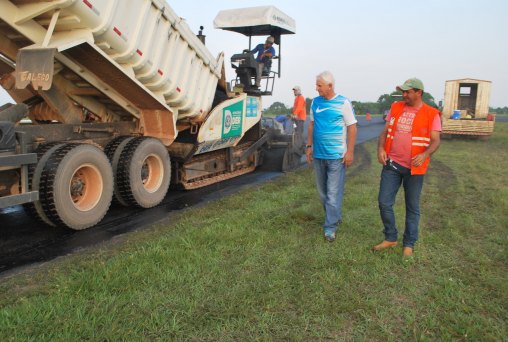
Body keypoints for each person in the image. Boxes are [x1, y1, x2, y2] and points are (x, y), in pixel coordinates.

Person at [373, 78, 441, 257]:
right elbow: (385, 131)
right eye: (403, 92)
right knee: (384, 202)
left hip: (415, 168)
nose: (404, 95)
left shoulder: (431, 113)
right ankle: (390, 237)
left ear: (419, 93)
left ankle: (409, 243)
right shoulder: (396, 107)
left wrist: (425, 154)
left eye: (408, 92)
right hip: (392, 164)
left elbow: (435, 141)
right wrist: (381, 148)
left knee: (412, 207)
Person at [306, 71, 357, 242]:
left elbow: (352, 127)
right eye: (317, 85)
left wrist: (349, 151)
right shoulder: (315, 102)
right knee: (323, 193)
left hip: (336, 156)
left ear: (330, 86)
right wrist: (309, 146)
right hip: (319, 155)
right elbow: (312, 125)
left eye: (319, 85)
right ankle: (334, 216)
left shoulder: (343, 102)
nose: (316, 88)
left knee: (333, 193)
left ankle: (330, 227)